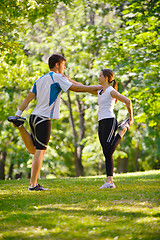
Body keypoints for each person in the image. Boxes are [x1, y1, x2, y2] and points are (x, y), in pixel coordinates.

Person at [8, 54, 102, 191]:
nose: (65, 67)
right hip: (43, 119)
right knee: (40, 151)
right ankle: (33, 185)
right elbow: (76, 88)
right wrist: (100, 87)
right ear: (57, 65)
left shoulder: (40, 79)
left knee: (32, 149)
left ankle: (20, 125)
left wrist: (18, 114)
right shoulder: (57, 77)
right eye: (64, 64)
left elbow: (28, 98)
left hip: (34, 117)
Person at [91, 69, 133, 189]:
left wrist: (131, 118)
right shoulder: (100, 91)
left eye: (100, 76)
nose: (98, 77)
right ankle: (109, 182)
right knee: (106, 151)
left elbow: (127, 101)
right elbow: (85, 88)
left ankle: (123, 129)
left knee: (108, 151)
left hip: (109, 120)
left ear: (106, 78)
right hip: (101, 122)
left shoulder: (110, 90)